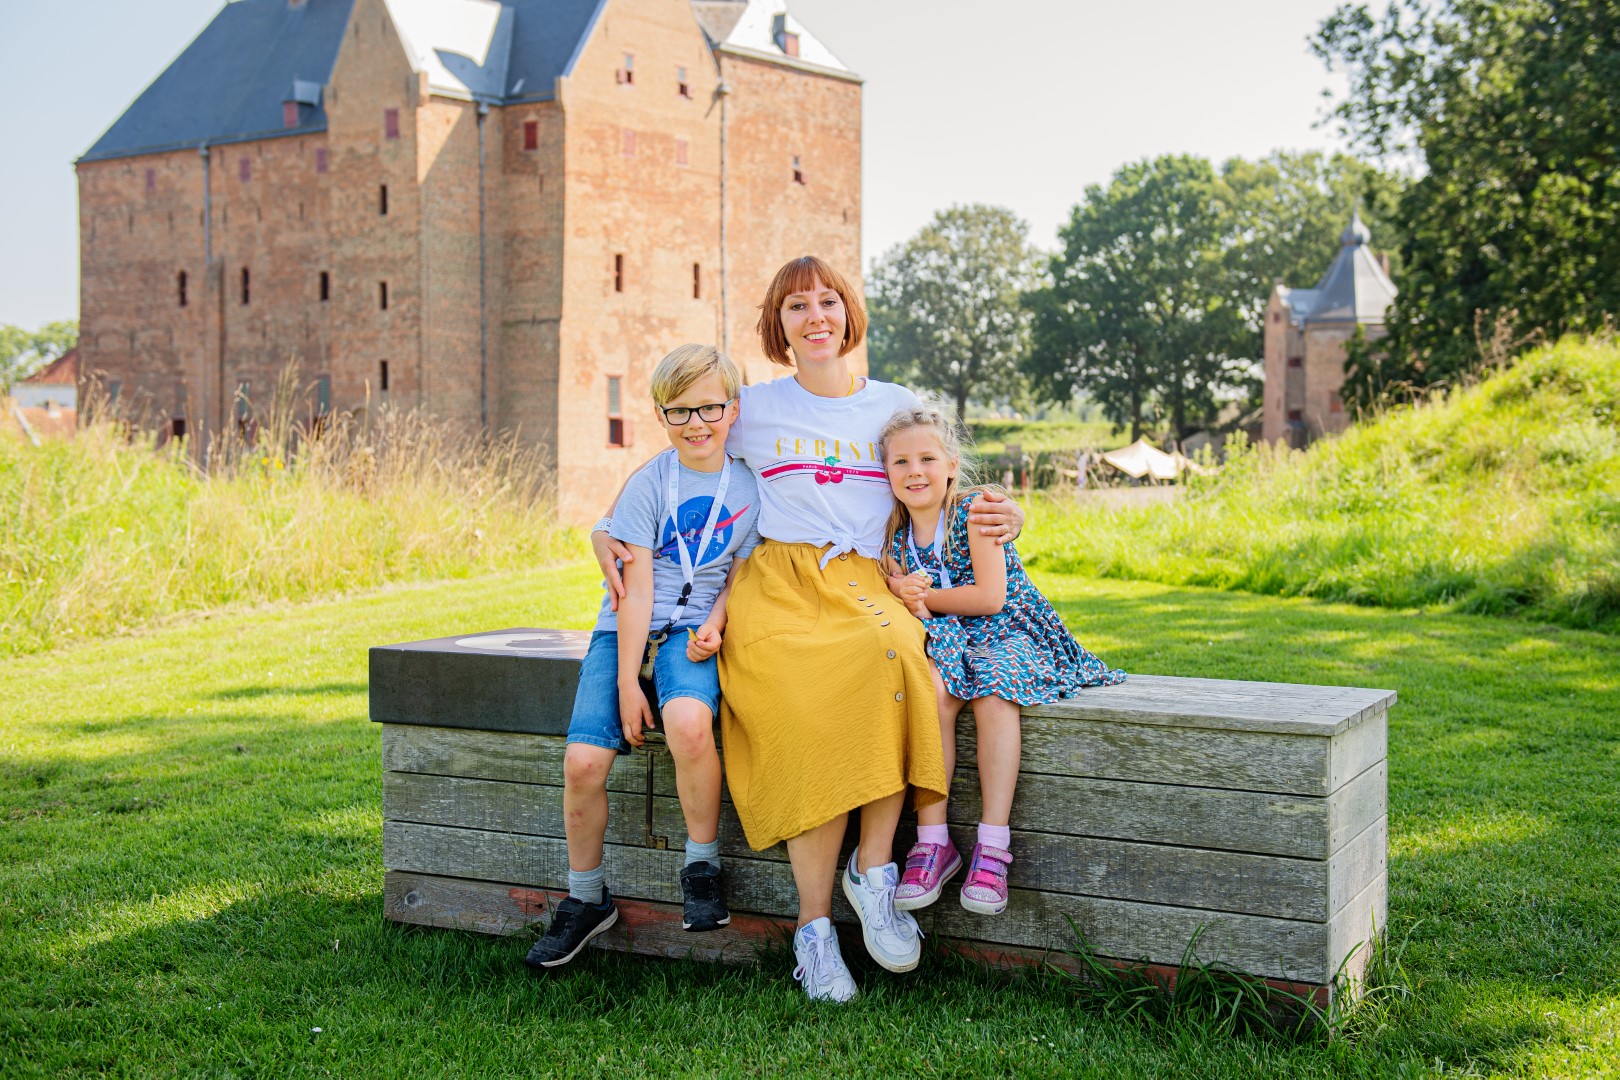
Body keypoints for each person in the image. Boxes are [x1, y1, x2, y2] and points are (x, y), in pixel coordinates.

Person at [593, 257, 1025, 1001]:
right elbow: (681, 456)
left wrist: (1011, 514)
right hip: (775, 580)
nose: (815, 315)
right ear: (778, 324)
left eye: (829, 300)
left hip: (866, 577)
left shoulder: (892, 404)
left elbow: (943, 478)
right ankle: (814, 931)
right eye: (797, 305)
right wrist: (608, 528)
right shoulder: (752, 407)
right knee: (799, 705)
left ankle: (875, 870)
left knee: (896, 656)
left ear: (849, 313)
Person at [526, 345, 760, 971]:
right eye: (678, 411)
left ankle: (702, 864)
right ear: (661, 416)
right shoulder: (649, 483)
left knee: (688, 725)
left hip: (694, 635)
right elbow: (636, 591)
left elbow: (742, 573)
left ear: (732, 409)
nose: (696, 423)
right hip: (625, 631)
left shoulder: (750, 485)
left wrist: (715, 624)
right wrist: (629, 680)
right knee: (582, 762)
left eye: (710, 407)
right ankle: (585, 897)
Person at [878, 402, 1126, 917]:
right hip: (952, 637)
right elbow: (900, 589)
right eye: (900, 462)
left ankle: (993, 843)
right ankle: (934, 840)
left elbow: (991, 597)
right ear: (886, 471)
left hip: (1009, 630)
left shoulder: (976, 511)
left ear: (951, 464)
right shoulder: (895, 534)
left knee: (994, 689)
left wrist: (922, 601)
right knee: (930, 687)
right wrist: (900, 588)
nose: (914, 471)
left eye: (927, 458)